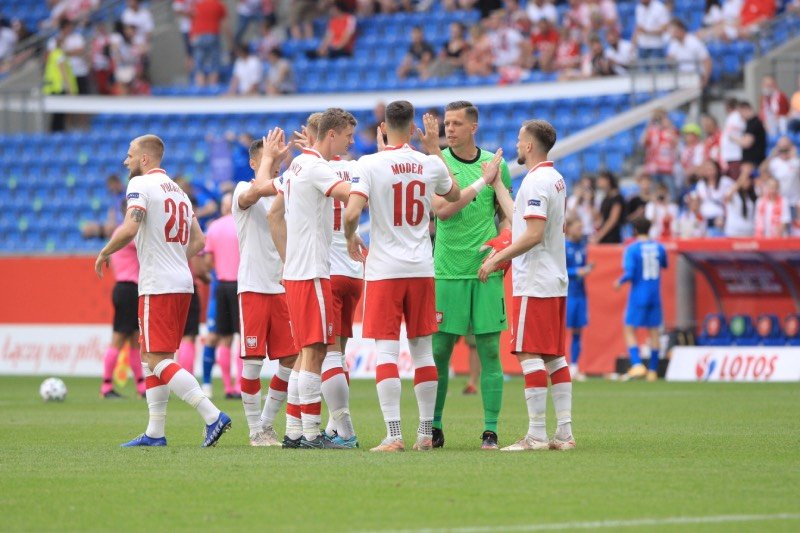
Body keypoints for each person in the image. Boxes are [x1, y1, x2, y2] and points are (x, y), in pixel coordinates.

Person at [344, 101, 466, 452]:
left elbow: (351, 213)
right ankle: (425, 433)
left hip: (385, 270)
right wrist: (435, 151)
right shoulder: (429, 163)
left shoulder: (368, 164)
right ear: (414, 128)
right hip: (421, 267)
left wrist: (350, 236)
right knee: (423, 351)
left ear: (383, 127)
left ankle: (394, 434)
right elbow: (455, 194)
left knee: (386, 350)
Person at [94, 134, 231, 447]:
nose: (126, 161)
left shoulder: (140, 184)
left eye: (130, 155)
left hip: (157, 284)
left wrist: (105, 251)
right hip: (182, 283)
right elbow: (199, 240)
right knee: (154, 357)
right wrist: (175, 258)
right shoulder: (179, 191)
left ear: (144, 159)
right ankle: (155, 432)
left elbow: (130, 226)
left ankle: (212, 415)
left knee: (155, 359)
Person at [416, 100, 511, 450]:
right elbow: (442, 211)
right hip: (447, 271)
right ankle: (435, 427)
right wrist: (483, 182)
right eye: (447, 123)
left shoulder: (496, 165)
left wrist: (502, 244)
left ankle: (490, 431)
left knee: (490, 351)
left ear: (473, 127)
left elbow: (506, 213)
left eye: (456, 123)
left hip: (486, 272)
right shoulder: (435, 163)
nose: (449, 129)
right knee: (439, 352)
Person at [478, 119, 573, 452]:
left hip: (534, 280)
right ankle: (564, 434)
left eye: (520, 140)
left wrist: (496, 258)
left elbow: (532, 235)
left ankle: (536, 435)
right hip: (554, 278)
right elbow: (521, 220)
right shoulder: (555, 178)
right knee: (554, 357)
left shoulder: (535, 181)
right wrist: (496, 185)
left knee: (528, 354)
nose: (517, 145)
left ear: (530, 145)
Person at [268, 108, 354, 449]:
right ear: (331, 134)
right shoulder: (317, 167)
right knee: (316, 352)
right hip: (313, 272)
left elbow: (273, 208)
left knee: (306, 353)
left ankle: (293, 431)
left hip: (297, 271)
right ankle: (312, 433)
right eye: (347, 135)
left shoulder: (298, 165)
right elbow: (348, 193)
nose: (350, 142)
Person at [233, 129, 300, 446]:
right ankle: (253, 430)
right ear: (253, 162)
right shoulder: (242, 190)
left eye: (277, 156)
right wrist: (271, 159)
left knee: (290, 359)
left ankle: (266, 424)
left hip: (283, 287)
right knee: (253, 361)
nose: (275, 161)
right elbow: (255, 193)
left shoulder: (286, 191)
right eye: (267, 156)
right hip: (254, 286)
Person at [301, 112, 361, 448]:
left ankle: (346, 431)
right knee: (339, 354)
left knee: (328, 355)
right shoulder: (354, 168)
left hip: (329, 270)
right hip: (355, 271)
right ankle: (335, 428)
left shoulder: (314, 169)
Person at [614, 217, 667, 382]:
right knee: (654, 331)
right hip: (655, 295)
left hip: (638, 295)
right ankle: (653, 371)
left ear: (635, 230)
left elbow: (629, 273)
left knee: (629, 329)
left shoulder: (632, 249)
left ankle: (637, 364)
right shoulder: (659, 247)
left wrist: (619, 281)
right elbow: (665, 264)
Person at [100, 217, 146, 399]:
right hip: (128, 288)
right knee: (119, 339)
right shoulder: (128, 232)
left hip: (127, 288)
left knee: (135, 340)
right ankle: (106, 387)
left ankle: (141, 386)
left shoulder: (119, 232)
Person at [204, 193, 243, 399]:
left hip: (221, 285)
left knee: (224, 338)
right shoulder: (242, 225)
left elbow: (207, 262)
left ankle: (227, 387)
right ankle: (239, 386)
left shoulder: (214, 227)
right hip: (241, 285)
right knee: (243, 338)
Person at [565, 217, 591, 382]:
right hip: (566, 294)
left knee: (577, 331)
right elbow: (559, 269)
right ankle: (557, 366)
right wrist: (576, 272)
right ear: (569, 228)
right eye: (578, 228)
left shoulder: (582, 246)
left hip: (580, 294)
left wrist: (585, 270)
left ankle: (574, 367)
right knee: (561, 331)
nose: (580, 231)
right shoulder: (563, 246)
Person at [641, 108, 678, 198]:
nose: (660, 119)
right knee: (654, 195)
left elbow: (676, 143)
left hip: (667, 168)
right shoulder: (652, 131)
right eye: (658, 117)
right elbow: (643, 142)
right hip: (653, 168)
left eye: (662, 117)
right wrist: (650, 123)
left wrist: (669, 125)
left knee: (672, 195)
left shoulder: (670, 131)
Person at [191, 0, 227, 87]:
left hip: (198, 36)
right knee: (215, 64)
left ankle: (200, 87)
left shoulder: (199, 5)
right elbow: (225, 23)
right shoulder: (219, 5)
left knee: (199, 65)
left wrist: (192, 36)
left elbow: (194, 21)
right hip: (212, 34)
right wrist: (231, 39)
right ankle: (213, 86)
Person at [666, 18, 711, 86]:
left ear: (681, 29)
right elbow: (669, 61)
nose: (672, 33)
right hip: (681, 77)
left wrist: (705, 80)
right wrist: (669, 60)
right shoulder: (673, 43)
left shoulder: (694, 42)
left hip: (696, 76)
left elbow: (707, 61)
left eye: (674, 31)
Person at [733, 100, 767, 180]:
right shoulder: (752, 123)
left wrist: (733, 138)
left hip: (753, 162)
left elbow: (747, 143)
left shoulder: (753, 123)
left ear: (745, 109)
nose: (741, 117)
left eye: (740, 113)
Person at [767, 137, 800, 207]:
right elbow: (762, 173)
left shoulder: (797, 161)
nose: (784, 150)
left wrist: (795, 156)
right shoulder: (773, 163)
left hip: (794, 202)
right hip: (779, 202)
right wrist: (771, 155)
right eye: (781, 148)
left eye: (786, 148)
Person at [593, 171, 624, 244]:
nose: (598, 182)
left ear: (608, 180)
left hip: (613, 237)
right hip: (604, 236)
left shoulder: (617, 198)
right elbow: (600, 218)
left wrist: (599, 236)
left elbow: (613, 220)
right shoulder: (605, 198)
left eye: (601, 180)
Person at [723, 171, 757, 237]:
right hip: (734, 231)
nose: (746, 182)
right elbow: (727, 197)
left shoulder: (752, 195)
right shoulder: (734, 194)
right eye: (743, 180)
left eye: (748, 180)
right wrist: (741, 179)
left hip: (749, 231)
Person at [721, 97, 744, 180]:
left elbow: (734, 133)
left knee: (735, 180)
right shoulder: (732, 117)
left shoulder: (736, 117)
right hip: (730, 155)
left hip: (734, 155)